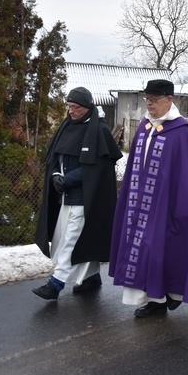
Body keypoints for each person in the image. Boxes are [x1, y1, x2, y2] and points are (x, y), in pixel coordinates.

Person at [109, 80, 188, 318]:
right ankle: (154, 299)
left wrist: (182, 209)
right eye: (147, 99)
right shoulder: (145, 127)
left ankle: (167, 297)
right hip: (139, 205)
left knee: (162, 252)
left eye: (154, 100)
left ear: (169, 100)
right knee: (142, 252)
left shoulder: (181, 132)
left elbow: (186, 177)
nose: (149, 104)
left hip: (167, 205)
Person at [33, 87, 123, 299]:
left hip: (85, 197)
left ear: (87, 107)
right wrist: (56, 174)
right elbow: (56, 158)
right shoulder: (66, 127)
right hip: (65, 195)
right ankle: (91, 277)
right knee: (72, 238)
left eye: (76, 108)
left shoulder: (99, 131)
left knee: (70, 241)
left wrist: (68, 179)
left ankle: (56, 283)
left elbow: (97, 168)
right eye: (69, 107)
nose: (71, 112)